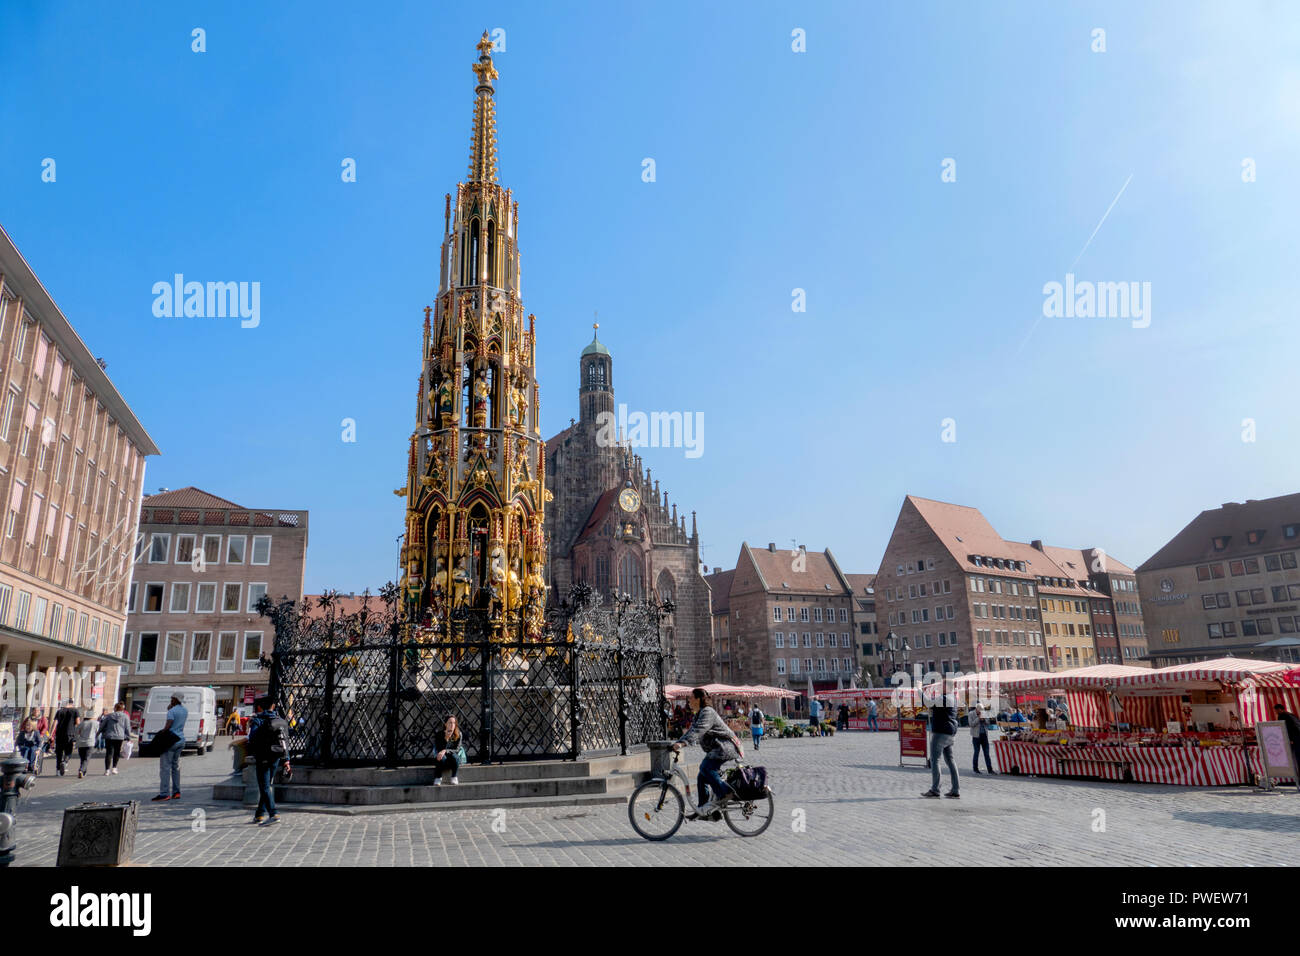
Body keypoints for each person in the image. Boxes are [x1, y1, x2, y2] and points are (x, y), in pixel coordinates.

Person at [672, 687, 743, 820]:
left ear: (698, 699)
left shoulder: (708, 712)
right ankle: (704, 810)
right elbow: (691, 731)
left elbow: (699, 729)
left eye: (691, 698)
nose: (689, 700)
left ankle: (725, 793)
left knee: (705, 768)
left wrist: (683, 744)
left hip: (725, 747)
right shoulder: (699, 713)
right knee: (702, 776)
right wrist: (679, 742)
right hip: (717, 748)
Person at [247, 696, 288, 825]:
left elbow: (252, 738)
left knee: (264, 786)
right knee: (266, 785)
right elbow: (285, 741)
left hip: (263, 756)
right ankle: (259, 815)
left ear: (260, 707)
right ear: (273, 706)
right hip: (276, 756)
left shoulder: (258, 720)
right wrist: (286, 759)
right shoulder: (281, 720)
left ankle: (273, 813)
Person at [922, 694, 960, 799]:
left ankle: (935, 789)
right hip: (950, 732)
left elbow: (928, 702)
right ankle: (955, 789)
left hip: (940, 732)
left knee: (935, 760)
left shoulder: (944, 698)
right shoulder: (953, 698)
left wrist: (919, 690)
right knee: (951, 761)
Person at [153, 694, 188, 802]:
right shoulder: (185, 710)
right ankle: (176, 792)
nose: (170, 700)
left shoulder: (171, 711)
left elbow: (168, 725)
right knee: (175, 767)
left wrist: (162, 731)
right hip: (181, 739)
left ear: (175, 699)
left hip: (170, 740)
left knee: (165, 768)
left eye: (171, 699)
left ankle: (164, 793)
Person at [99, 701, 132, 775]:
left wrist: (98, 733)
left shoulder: (109, 716)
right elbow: (127, 727)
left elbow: (102, 725)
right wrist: (129, 736)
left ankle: (107, 770)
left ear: (115, 708)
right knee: (117, 752)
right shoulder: (125, 716)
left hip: (109, 736)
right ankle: (114, 768)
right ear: (122, 709)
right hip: (119, 737)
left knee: (109, 753)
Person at [433, 715, 466, 785]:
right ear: (446, 724)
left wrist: (445, 751)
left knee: (455, 757)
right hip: (443, 758)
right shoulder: (439, 734)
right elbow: (439, 749)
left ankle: (454, 776)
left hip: (453, 757)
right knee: (441, 757)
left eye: (454, 723)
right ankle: (438, 777)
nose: (452, 725)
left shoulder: (459, 734)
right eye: (450, 723)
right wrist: (446, 739)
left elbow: (457, 749)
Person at [52, 700, 78, 776]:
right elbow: (78, 722)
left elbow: (55, 723)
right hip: (70, 734)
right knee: (68, 751)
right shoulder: (75, 711)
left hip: (59, 734)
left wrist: (51, 733)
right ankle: (65, 761)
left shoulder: (59, 711)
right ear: (71, 704)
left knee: (59, 752)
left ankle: (57, 770)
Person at [1274, 705, 1300, 775]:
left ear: (1280, 709)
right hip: (1297, 737)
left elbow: (1286, 728)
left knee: (1297, 757)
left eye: (1276, 710)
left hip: (1295, 738)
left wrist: (1290, 739)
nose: (1275, 712)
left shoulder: (1282, 716)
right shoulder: (1292, 715)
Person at [969, 704, 995, 774]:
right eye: (980, 710)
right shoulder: (971, 714)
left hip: (984, 735)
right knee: (976, 752)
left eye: (982, 710)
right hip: (976, 736)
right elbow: (971, 724)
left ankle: (990, 769)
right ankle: (975, 769)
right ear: (976, 709)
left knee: (987, 753)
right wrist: (978, 719)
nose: (981, 712)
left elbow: (988, 723)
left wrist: (984, 720)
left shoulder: (984, 713)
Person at [73, 714, 97, 778]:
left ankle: (83, 772)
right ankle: (81, 770)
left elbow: (76, 732)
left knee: (82, 758)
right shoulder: (95, 723)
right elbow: (98, 732)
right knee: (87, 758)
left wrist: (77, 739)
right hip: (90, 742)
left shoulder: (81, 724)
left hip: (81, 743)